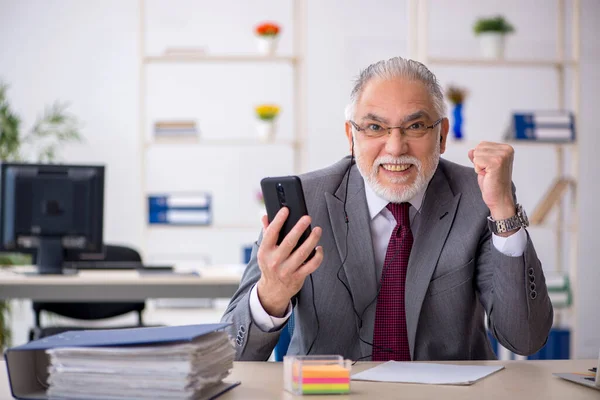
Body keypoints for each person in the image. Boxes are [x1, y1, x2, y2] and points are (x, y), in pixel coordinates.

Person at [221, 56, 553, 362]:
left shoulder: (479, 197)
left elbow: (524, 339)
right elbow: (229, 357)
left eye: (416, 126)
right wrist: (271, 296)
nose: (395, 148)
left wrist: (505, 214)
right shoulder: (305, 201)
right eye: (375, 127)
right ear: (351, 136)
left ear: (442, 136)